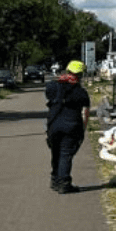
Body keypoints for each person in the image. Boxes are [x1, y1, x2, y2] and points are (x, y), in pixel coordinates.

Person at [44, 60, 91, 194]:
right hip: (71, 126)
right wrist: (83, 130)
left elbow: (48, 95)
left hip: (54, 124)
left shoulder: (53, 86)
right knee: (65, 154)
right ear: (81, 75)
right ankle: (64, 183)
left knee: (55, 153)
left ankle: (55, 180)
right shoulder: (81, 92)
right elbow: (85, 113)